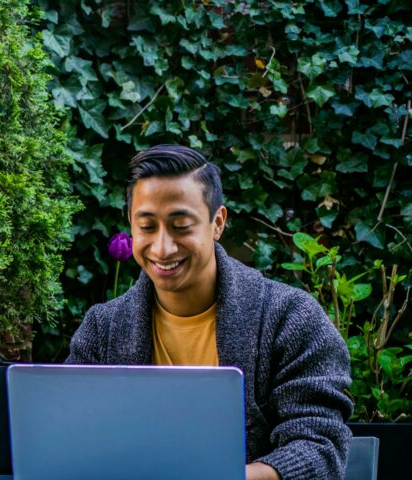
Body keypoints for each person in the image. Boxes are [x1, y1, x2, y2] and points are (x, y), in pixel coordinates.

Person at [67, 145, 353, 480]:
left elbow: (320, 445)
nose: (163, 247)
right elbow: (75, 440)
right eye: (147, 227)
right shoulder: (102, 329)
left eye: (181, 226)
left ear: (217, 223)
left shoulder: (290, 318)